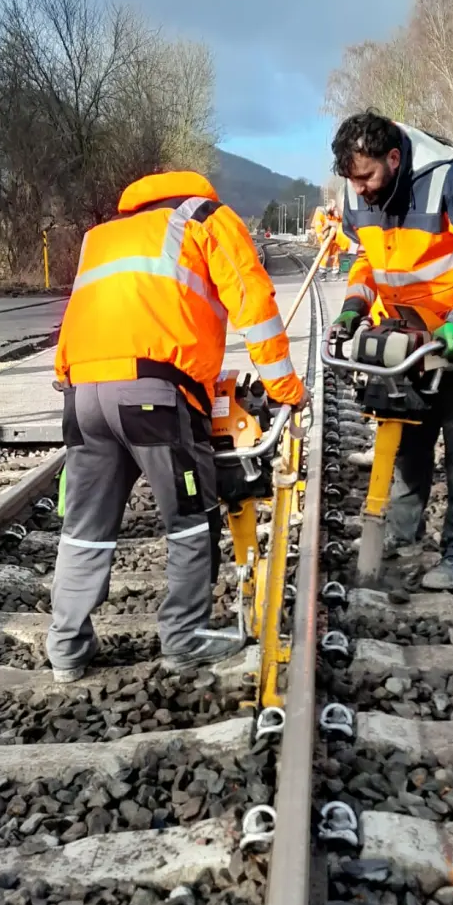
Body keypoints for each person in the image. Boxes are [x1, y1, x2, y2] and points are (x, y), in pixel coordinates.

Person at [47, 169, 307, 681]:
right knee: (191, 517)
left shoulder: (101, 236)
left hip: (82, 394)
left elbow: (80, 312)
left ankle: (66, 650)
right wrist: (285, 392)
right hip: (154, 394)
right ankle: (185, 638)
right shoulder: (206, 219)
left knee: (84, 527)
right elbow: (255, 306)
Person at [330, 110, 453, 590]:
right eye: (353, 181)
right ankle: (401, 534)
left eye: (367, 177)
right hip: (409, 339)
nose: (361, 190)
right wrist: (354, 308)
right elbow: (365, 260)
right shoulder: (360, 196)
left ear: (394, 158)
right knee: (408, 443)